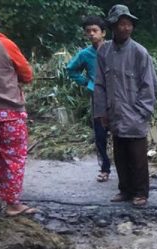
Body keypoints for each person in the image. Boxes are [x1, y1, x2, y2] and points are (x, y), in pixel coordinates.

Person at [93, 4, 157, 208]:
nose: (126, 28)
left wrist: (142, 111)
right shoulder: (104, 51)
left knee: (137, 156)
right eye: (122, 24)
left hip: (135, 113)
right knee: (120, 154)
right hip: (115, 112)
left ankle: (140, 192)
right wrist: (101, 111)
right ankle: (125, 190)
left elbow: (149, 85)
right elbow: (100, 84)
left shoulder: (139, 52)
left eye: (129, 24)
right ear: (113, 26)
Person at [0, 9, 35, 217]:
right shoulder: (5, 44)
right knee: (13, 158)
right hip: (8, 112)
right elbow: (27, 75)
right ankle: (12, 204)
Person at [66, 15, 112, 183]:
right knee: (100, 135)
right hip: (97, 97)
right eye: (88, 31)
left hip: (117, 98)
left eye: (95, 30)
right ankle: (105, 168)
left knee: (121, 134)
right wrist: (86, 82)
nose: (92, 34)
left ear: (103, 33)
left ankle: (125, 168)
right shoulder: (85, 54)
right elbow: (70, 69)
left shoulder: (112, 50)